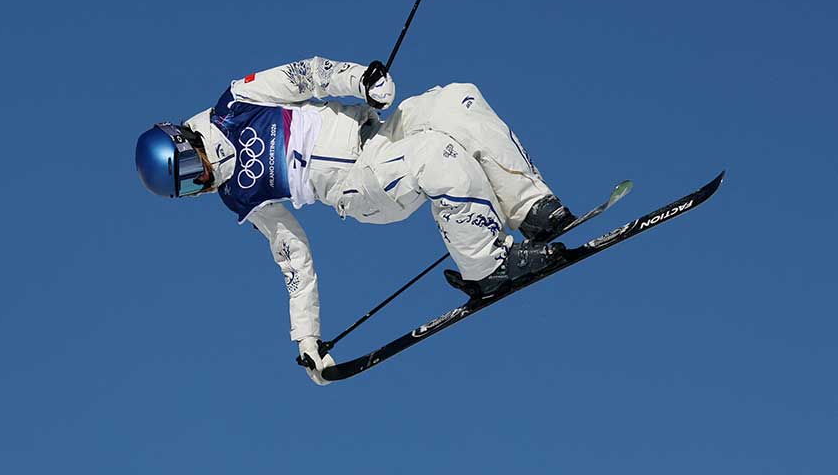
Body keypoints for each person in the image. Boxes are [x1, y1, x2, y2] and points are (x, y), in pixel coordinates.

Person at [135, 57, 574, 385]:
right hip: (359, 185)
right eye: (191, 188)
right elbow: (293, 258)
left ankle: (531, 209)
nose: (204, 182)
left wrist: (363, 81)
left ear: (186, 140)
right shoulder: (240, 196)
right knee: (437, 157)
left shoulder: (238, 102)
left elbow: (309, 74)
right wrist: (307, 340)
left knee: (458, 100)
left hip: (378, 133)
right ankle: (486, 268)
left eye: (193, 171)